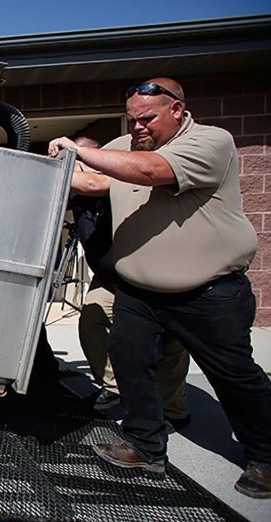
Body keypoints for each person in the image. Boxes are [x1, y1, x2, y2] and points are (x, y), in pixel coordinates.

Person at [49, 78, 271, 498]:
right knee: (129, 361)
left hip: (207, 293)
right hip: (140, 293)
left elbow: (150, 171)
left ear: (178, 110)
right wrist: (61, 166)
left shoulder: (210, 142)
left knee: (234, 376)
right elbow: (100, 183)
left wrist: (81, 150)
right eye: (133, 119)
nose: (138, 127)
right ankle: (146, 445)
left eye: (148, 118)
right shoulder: (129, 144)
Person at [71, 137, 191, 430]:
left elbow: (92, 184)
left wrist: (68, 163)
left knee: (169, 342)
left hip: (149, 273)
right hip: (110, 277)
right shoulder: (76, 193)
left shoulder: (119, 182)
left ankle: (173, 407)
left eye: (91, 161)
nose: (85, 168)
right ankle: (115, 388)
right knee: (93, 318)